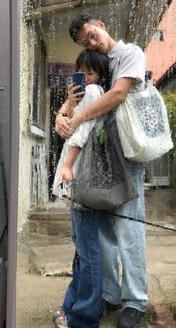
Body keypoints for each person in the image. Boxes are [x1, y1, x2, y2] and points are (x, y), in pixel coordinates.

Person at [56, 13, 148, 328]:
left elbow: (118, 94)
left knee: (129, 226)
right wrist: (63, 112)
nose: (91, 42)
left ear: (102, 25)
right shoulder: (93, 64)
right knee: (105, 231)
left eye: (91, 34)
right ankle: (110, 294)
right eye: (84, 42)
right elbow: (78, 104)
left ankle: (135, 300)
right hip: (100, 157)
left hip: (127, 154)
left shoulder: (129, 54)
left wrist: (78, 119)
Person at [53, 48, 110, 328]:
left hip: (80, 177)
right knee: (83, 250)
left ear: (99, 74)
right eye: (81, 71)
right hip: (79, 181)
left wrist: (67, 166)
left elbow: (83, 133)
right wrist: (68, 102)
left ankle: (84, 318)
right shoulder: (85, 94)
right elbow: (68, 125)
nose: (85, 77)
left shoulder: (95, 92)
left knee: (87, 252)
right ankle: (72, 308)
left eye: (90, 72)